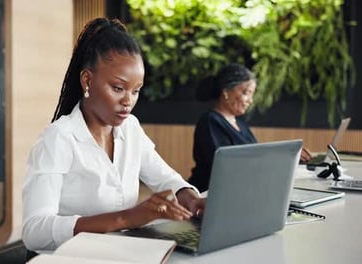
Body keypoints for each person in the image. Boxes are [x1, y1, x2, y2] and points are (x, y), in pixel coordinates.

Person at [22, 17, 205, 252]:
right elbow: (34, 232)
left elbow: (164, 178)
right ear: (87, 80)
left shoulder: (130, 128)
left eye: (136, 91)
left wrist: (192, 199)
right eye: (118, 88)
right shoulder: (58, 139)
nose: (128, 101)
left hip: (115, 252)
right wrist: (126, 218)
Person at [187, 63, 312, 192]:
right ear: (226, 93)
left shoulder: (241, 125)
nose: (250, 101)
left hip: (241, 191)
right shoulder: (210, 122)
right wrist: (281, 159)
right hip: (211, 196)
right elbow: (228, 167)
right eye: (246, 93)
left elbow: (255, 158)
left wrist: (288, 157)